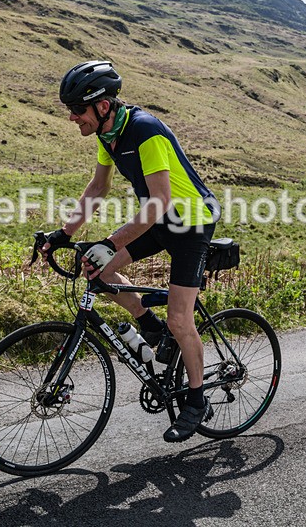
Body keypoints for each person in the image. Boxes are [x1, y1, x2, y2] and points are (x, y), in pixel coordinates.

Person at [42, 60, 220, 442]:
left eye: (77, 110)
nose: (72, 118)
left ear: (102, 106)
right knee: (98, 269)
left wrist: (111, 242)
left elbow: (158, 202)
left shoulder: (144, 131)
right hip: (160, 221)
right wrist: (64, 232)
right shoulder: (110, 136)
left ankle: (196, 398)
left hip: (189, 223)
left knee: (180, 318)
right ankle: (147, 324)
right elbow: (97, 188)